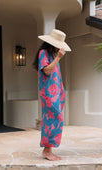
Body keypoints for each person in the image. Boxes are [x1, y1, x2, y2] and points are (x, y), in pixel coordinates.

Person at [33, 29, 71, 161]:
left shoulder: (53, 54)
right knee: (55, 119)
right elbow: (48, 71)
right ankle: (47, 150)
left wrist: (62, 91)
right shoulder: (43, 53)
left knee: (54, 119)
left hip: (57, 93)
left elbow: (56, 75)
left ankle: (48, 149)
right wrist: (59, 57)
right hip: (49, 93)